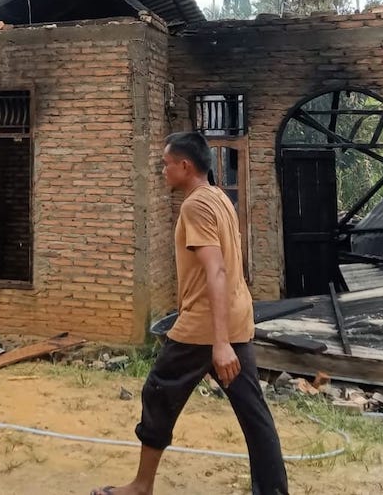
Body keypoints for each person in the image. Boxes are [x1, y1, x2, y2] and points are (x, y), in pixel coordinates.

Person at [92, 132, 289, 495]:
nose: (163, 171)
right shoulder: (219, 198)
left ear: (185, 166)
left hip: (204, 327)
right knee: (254, 414)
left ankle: (140, 487)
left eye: (166, 164)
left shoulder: (195, 206)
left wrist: (219, 343)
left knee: (158, 394)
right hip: (235, 317)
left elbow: (215, 269)